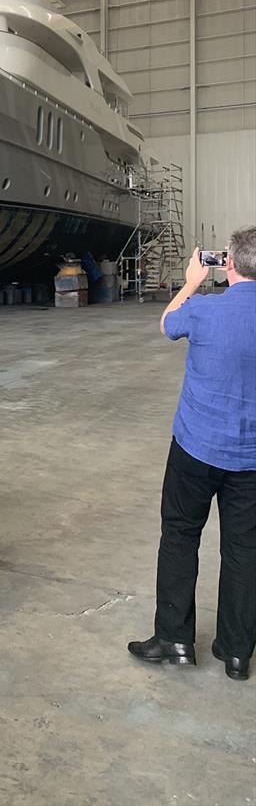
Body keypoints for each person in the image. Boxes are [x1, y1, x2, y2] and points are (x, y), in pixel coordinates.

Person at [128, 231, 256, 681]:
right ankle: (238, 652)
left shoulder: (203, 308)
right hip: (251, 459)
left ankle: (175, 640)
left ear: (229, 265)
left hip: (196, 448)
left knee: (181, 536)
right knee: (244, 550)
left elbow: (167, 324)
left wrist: (190, 281)